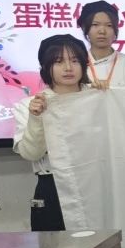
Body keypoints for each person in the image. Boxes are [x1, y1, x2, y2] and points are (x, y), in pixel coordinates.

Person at [13, 35, 91, 231]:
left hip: (94, 182)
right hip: (52, 187)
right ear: (46, 67)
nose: (68, 67)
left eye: (75, 60)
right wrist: (36, 118)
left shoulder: (97, 98)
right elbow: (31, 153)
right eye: (58, 61)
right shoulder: (29, 105)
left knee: (102, 246)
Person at [77, 0, 125, 88]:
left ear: (115, 30)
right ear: (85, 28)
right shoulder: (76, 66)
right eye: (95, 24)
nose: (102, 31)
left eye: (109, 25)